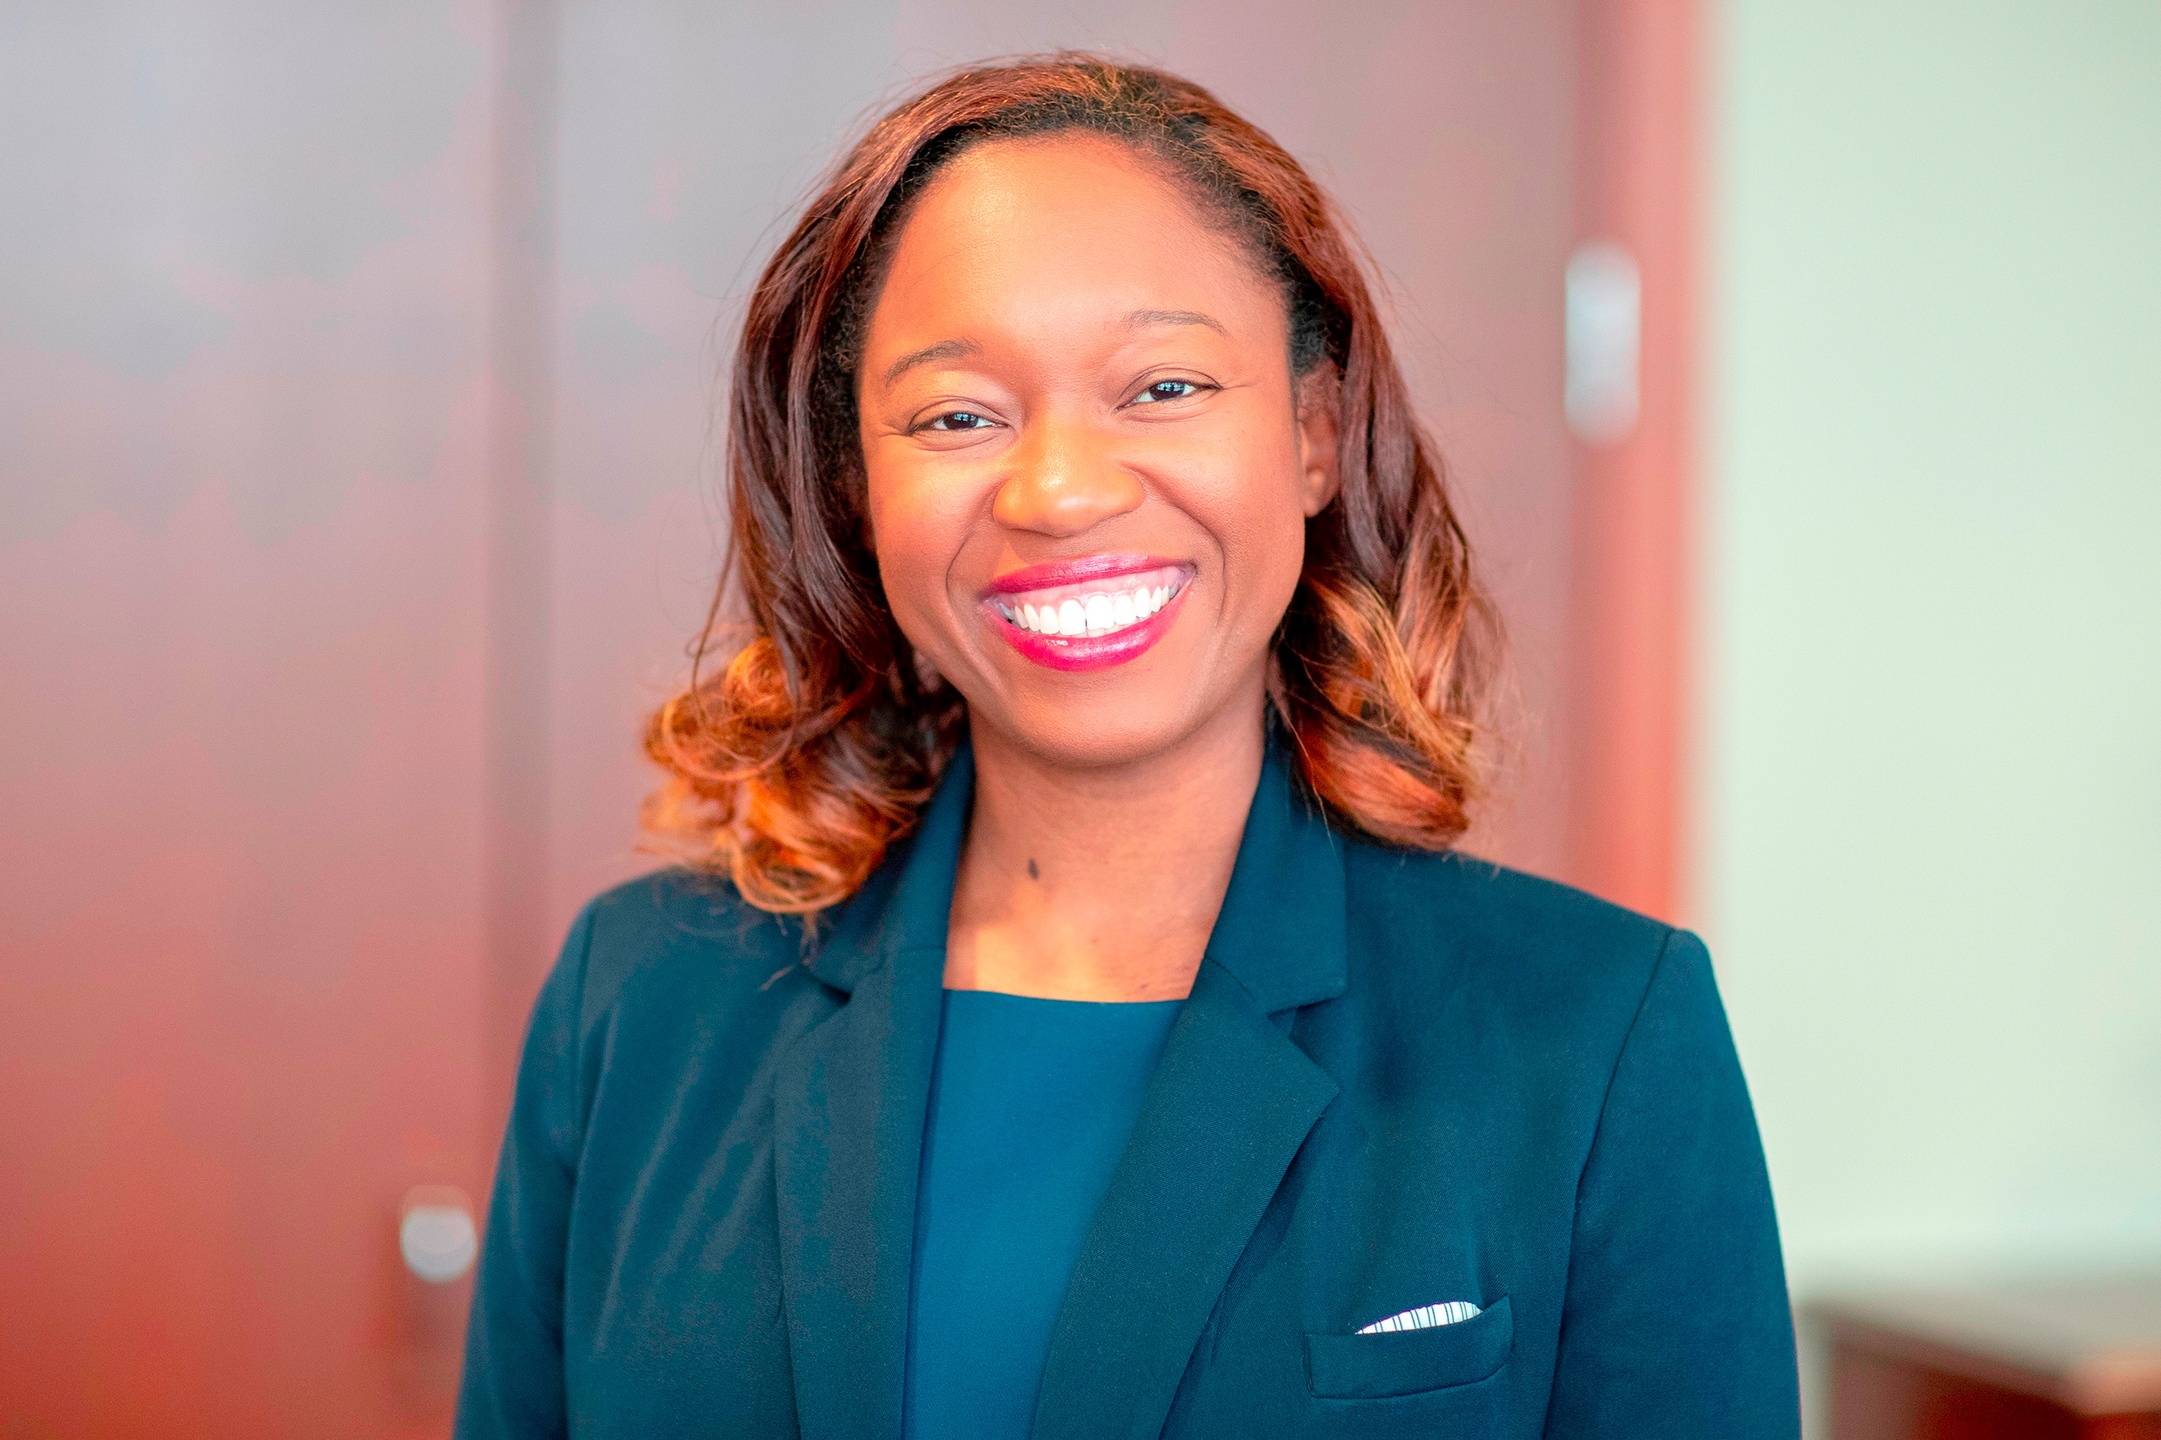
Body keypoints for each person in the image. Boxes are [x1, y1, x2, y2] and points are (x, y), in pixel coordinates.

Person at [455, 55, 1798, 1440]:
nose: (1057, 491)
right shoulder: (642, 1004)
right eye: (957, 416)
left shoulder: (1595, 1033)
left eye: (1161, 386)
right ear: (855, 487)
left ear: (1315, 432)